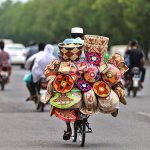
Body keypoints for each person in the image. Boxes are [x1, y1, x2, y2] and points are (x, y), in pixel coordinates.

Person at [63, 27, 85, 140]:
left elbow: (60, 57)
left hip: (70, 76)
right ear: (82, 35)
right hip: (86, 75)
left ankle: (68, 128)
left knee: (63, 99)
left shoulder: (66, 42)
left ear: (71, 35)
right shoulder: (86, 43)